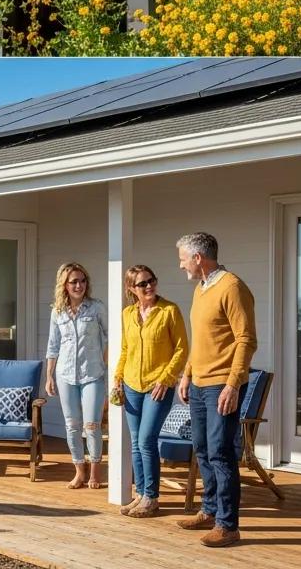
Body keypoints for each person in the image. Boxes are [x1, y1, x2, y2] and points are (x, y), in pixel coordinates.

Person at [175, 232, 257, 548]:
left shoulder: (233, 288)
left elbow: (246, 339)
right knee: (203, 449)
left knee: (221, 452)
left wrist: (234, 384)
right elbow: (201, 340)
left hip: (222, 384)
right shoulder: (201, 289)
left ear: (198, 258)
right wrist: (186, 375)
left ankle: (228, 525)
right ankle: (209, 511)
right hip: (198, 384)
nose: (180, 265)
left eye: (182, 259)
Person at [113, 264, 189, 518]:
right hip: (131, 384)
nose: (149, 286)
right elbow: (126, 350)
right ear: (131, 289)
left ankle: (152, 498)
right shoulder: (128, 314)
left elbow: (181, 349)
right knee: (136, 442)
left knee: (146, 439)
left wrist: (166, 379)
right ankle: (142, 494)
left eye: (152, 280)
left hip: (158, 386)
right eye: (142, 283)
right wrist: (117, 379)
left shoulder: (169, 311)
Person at [45, 262, 108, 489]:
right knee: (72, 425)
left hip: (93, 374)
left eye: (82, 281)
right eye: (74, 281)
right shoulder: (57, 312)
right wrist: (49, 376)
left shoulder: (96, 307)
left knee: (92, 425)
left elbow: (111, 336)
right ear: (65, 285)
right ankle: (79, 471)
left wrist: (105, 361)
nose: (79, 285)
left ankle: (95, 472)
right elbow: (53, 346)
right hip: (65, 375)